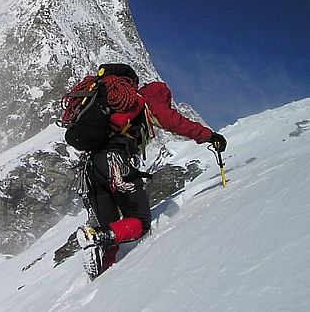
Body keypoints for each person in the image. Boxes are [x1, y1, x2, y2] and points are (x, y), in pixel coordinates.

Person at [65, 63, 227, 278]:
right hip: (115, 162)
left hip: (89, 169)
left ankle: (104, 275)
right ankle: (97, 237)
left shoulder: (98, 100)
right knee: (140, 221)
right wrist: (209, 136)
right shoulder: (143, 97)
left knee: (112, 228)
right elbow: (173, 122)